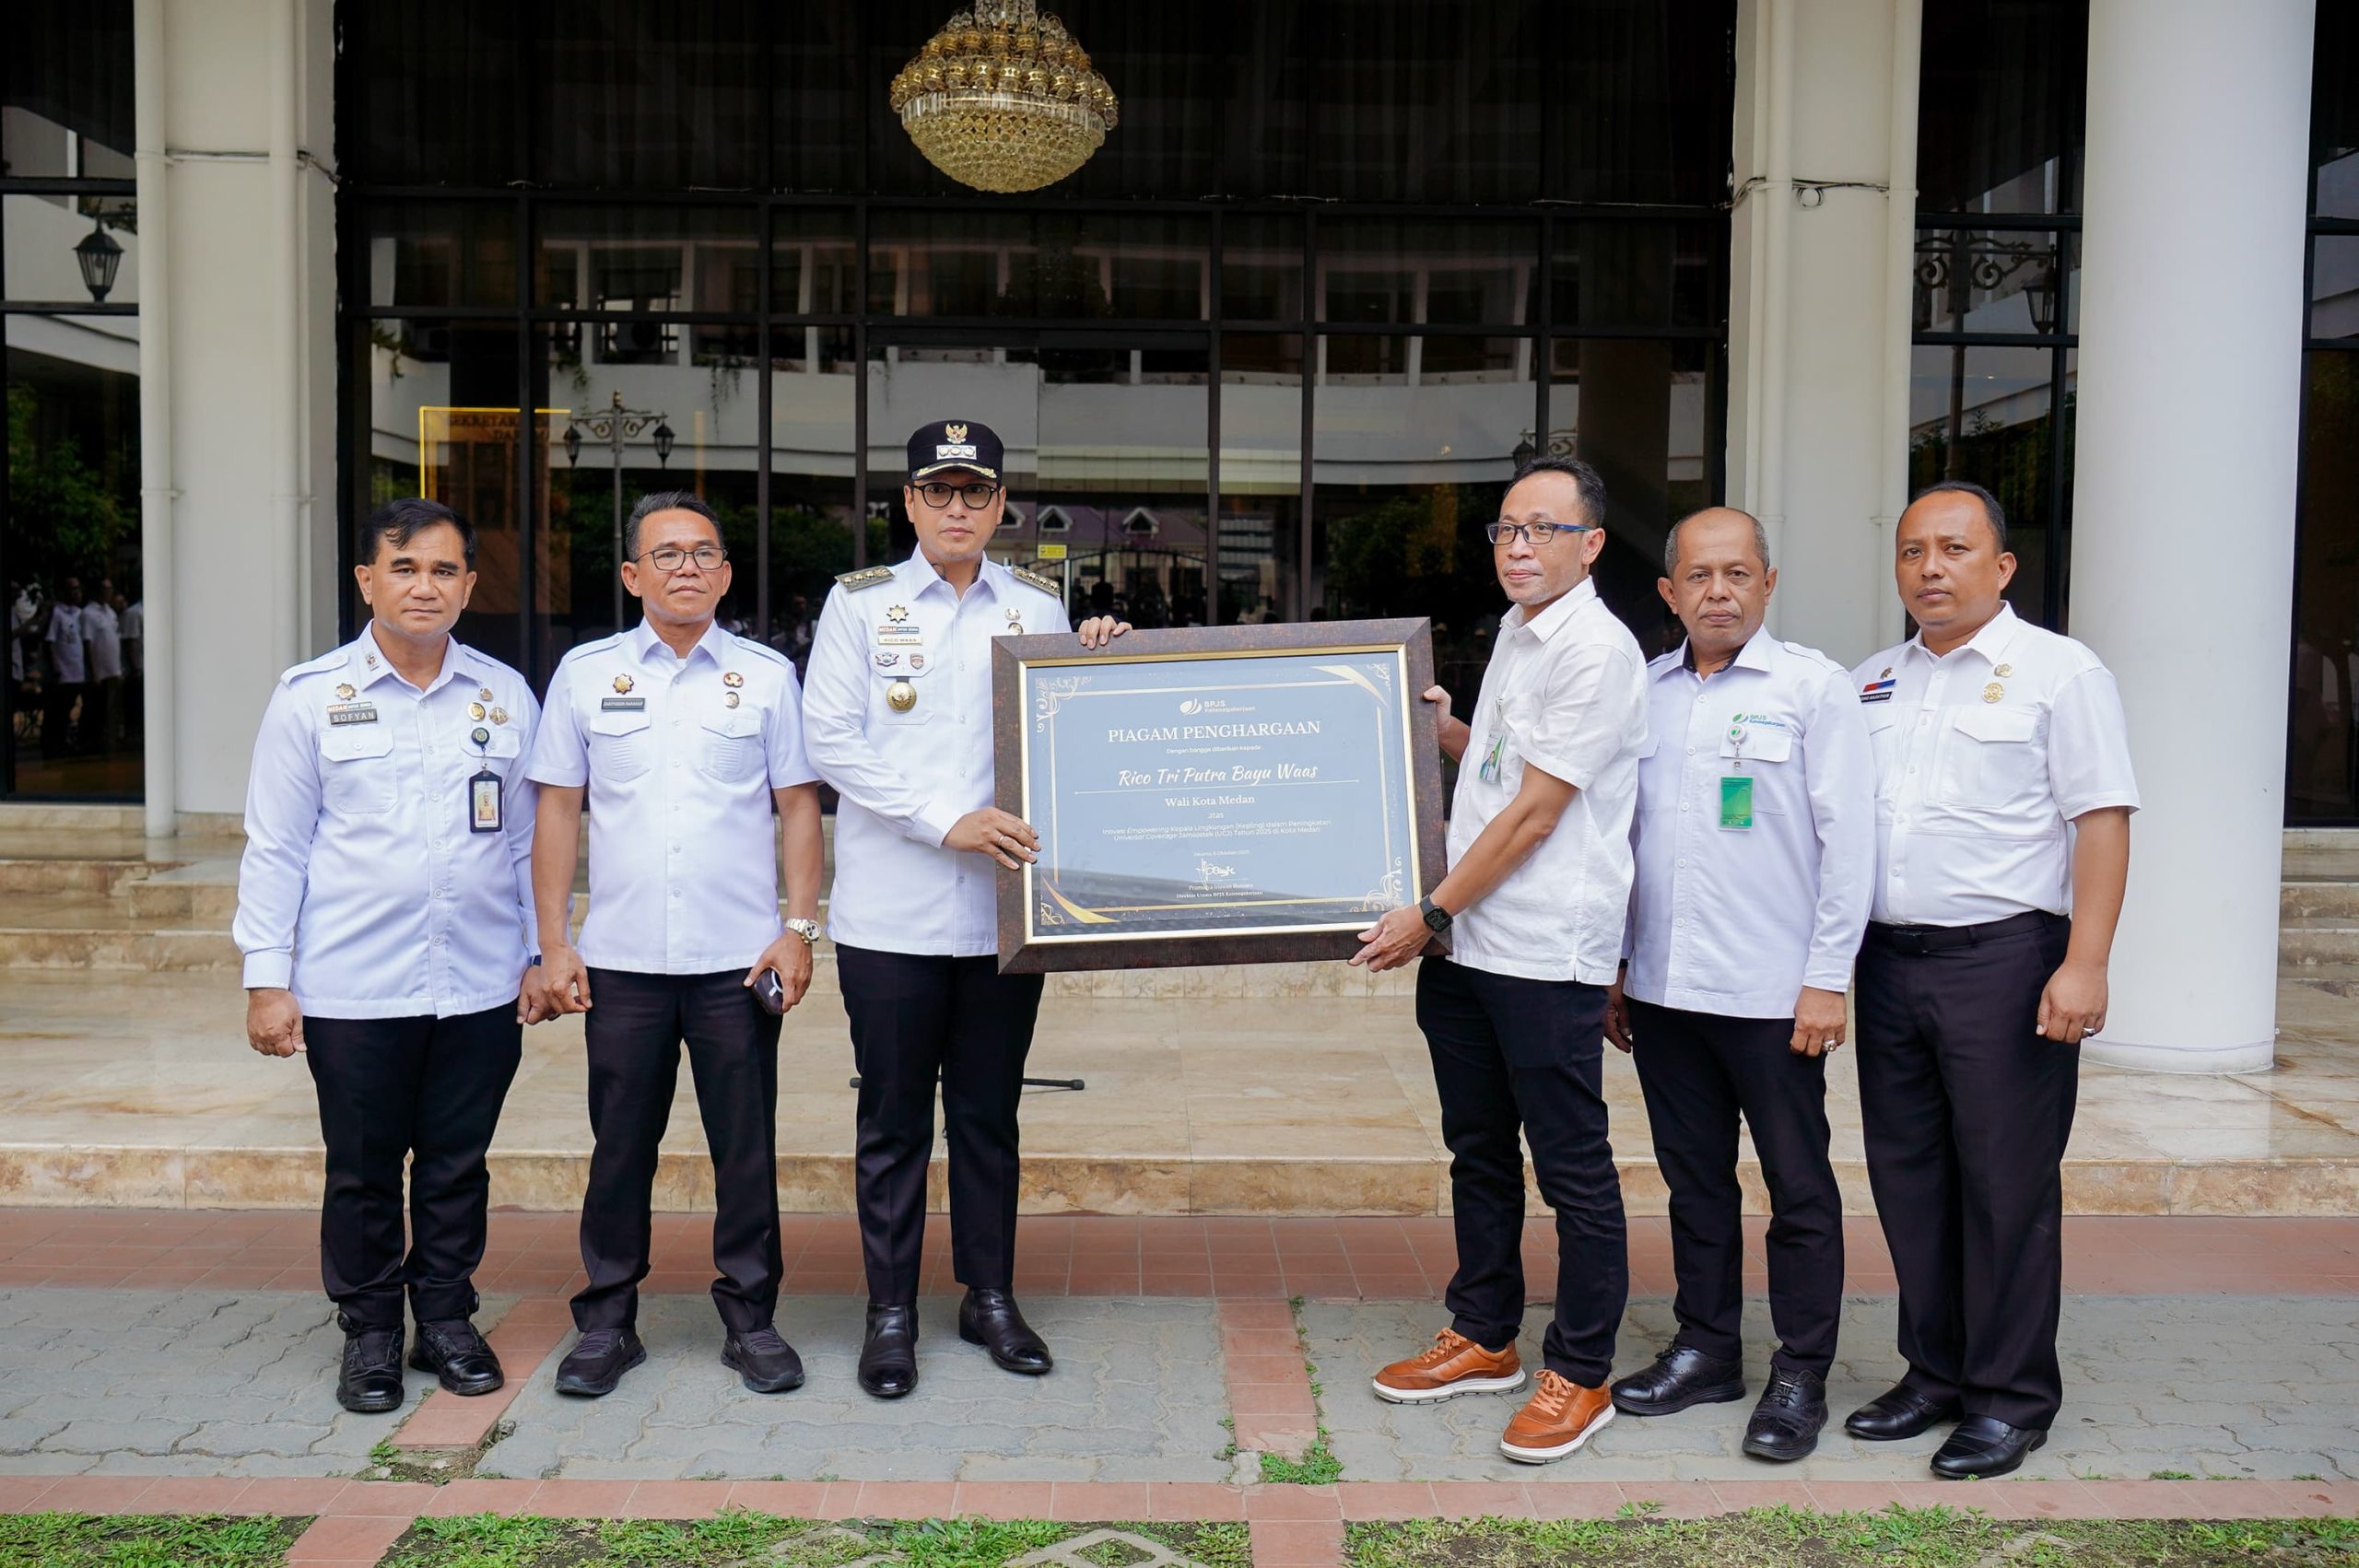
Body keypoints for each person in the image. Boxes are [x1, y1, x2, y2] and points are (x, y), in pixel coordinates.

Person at [803, 419, 1125, 1400]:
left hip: (1000, 916)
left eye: (974, 494)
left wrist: (1102, 658)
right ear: (907, 503)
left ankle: (989, 1295)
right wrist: (944, 820)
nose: (955, 509)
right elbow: (830, 740)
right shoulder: (858, 605)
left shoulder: (1034, 603)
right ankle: (889, 1312)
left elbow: (1064, 728)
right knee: (894, 1119)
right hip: (892, 916)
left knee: (987, 1115)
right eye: (937, 492)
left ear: (998, 508)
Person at [1355, 455, 1648, 1465]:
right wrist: (1445, 732)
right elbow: (1505, 767)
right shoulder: (1522, 635)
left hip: (1539, 949)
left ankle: (1584, 1369)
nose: (1519, 547)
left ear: (1591, 545)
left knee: (1572, 1168)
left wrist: (1427, 912)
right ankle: (1484, 1333)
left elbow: (1534, 814)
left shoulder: (1596, 650)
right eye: (1507, 530)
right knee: (1478, 1151)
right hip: (1475, 948)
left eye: (1544, 530)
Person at [1844, 480, 2136, 1480]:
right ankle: (1933, 1372)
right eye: (1912, 550)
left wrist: (2083, 961)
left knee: (2006, 1188)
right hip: (1887, 962)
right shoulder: (1871, 680)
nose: (1930, 567)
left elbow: (2100, 817)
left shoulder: (2059, 672)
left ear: (2000, 565)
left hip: (2004, 963)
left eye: (1954, 549)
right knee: (1909, 1178)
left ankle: (2010, 1399)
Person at [232, 497, 541, 1414]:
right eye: (404, 568)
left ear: (470, 585)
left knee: (457, 1161)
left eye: (444, 570)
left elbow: (529, 841)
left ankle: (444, 1316)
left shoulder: (503, 695)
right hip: (352, 985)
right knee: (363, 1167)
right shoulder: (311, 698)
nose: (424, 586)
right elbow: (276, 845)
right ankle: (369, 1328)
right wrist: (265, 977)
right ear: (367, 579)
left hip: (479, 982)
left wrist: (538, 951)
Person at [527, 491, 826, 1400]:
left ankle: (752, 1318)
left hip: (738, 961)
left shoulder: (768, 677)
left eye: (703, 552)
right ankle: (608, 1322)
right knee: (619, 1145)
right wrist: (553, 942)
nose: (685, 567)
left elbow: (799, 806)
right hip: (619, 962)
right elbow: (556, 809)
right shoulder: (585, 673)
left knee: (745, 1147)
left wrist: (799, 927)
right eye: (665, 553)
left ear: (725, 574)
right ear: (631, 575)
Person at [1602, 507, 1873, 1462]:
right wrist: (1617, 966)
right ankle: (1707, 1347)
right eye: (1698, 576)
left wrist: (1827, 979)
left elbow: (1852, 844)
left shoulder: (1813, 689)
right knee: (1693, 1183)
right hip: (1666, 991)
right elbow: (1616, 838)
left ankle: (1800, 1370)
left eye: (1737, 573)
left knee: (1798, 1188)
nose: (1718, 591)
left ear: (1767, 583)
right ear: (1670, 593)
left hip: (1774, 996)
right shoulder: (1645, 691)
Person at [43, 577, 86, 757]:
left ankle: (65, 742)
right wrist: (55, 666)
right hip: (64, 672)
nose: (75, 593)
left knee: (69, 709)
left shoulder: (79, 613)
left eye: (77, 589)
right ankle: (53, 746)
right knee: (57, 711)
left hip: (78, 671)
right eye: (71, 589)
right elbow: (50, 641)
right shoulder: (57, 613)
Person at [82, 579, 123, 751]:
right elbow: (87, 643)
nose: (109, 592)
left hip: (114, 669)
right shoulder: (88, 613)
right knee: (95, 708)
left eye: (110, 589)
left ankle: (108, 740)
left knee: (110, 708)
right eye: (106, 589)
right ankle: (91, 741)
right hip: (100, 671)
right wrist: (94, 671)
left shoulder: (110, 612)